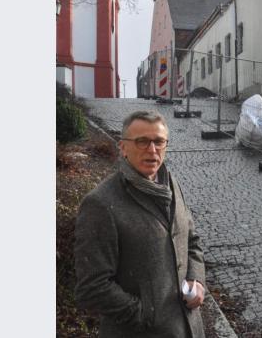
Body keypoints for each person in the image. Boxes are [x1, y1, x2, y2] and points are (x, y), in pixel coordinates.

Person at [75, 110, 206, 337]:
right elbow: (92, 286)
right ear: (123, 147)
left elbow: (191, 240)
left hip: (190, 328)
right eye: (142, 141)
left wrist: (197, 279)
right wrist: (147, 316)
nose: (152, 150)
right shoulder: (100, 204)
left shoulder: (170, 183)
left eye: (159, 141)